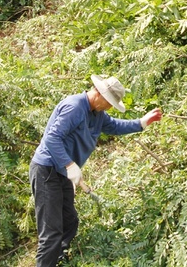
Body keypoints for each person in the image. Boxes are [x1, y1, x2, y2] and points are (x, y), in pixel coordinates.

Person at [29, 75, 162, 267]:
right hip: (47, 170)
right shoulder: (75, 107)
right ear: (98, 93)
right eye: (109, 103)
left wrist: (141, 123)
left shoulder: (97, 113)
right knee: (51, 232)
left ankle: (58, 260)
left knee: (69, 221)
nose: (109, 107)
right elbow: (52, 139)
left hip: (63, 173)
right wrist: (68, 164)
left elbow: (115, 126)